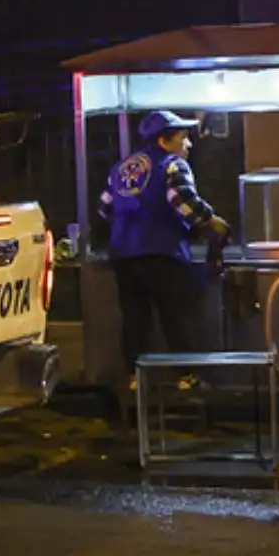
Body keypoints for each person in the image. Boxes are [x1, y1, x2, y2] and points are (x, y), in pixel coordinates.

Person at [98, 111, 229, 387]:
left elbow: (104, 208)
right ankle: (186, 377)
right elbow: (181, 200)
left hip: (124, 256)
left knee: (134, 318)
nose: (188, 145)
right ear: (164, 140)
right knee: (176, 316)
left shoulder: (122, 168)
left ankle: (134, 379)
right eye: (183, 138)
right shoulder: (173, 165)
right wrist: (211, 220)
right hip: (161, 252)